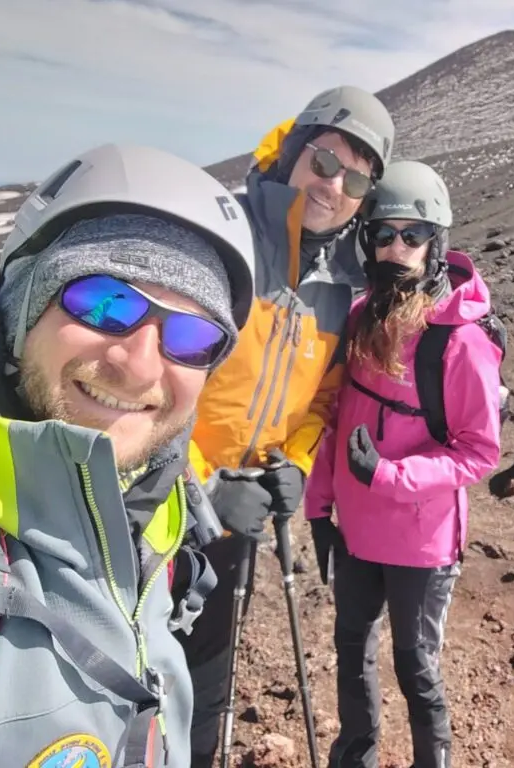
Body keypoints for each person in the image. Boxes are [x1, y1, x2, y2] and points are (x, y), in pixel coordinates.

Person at [0, 142, 256, 767]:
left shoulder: (156, 513)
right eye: (106, 302)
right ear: (21, 305)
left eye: (192, 336)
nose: (139, 364)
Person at [177, 85, 396, 766]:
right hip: (149, 502)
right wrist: (195, 489)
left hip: (236, 519)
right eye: (325, 161)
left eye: (355, 177)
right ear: (294, 151)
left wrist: (295, 464)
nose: (334, 185)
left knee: (206, 679)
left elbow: (324, 397)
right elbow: (149, 371)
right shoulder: (224, 237)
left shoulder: (341, 287)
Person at [303, 160, 504, 768]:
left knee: (414, 664)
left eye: (412, 236)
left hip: (422, 540)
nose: (396, 247)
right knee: (351, 649)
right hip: (357, 532)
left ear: (435, 243)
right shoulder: (362, 316)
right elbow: (337, 421)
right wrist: (319, 506)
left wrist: (391, 477)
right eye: (384, 234)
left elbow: (479, 450)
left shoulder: (460, 339)